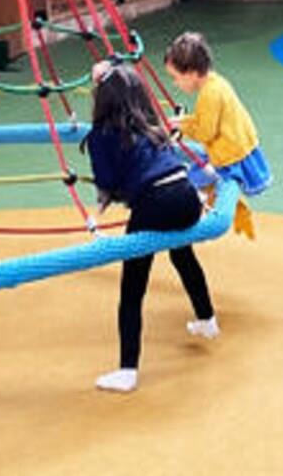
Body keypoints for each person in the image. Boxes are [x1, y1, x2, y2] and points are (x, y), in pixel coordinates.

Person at [85, 62, 217, 394]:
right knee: (182, 253)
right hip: (186, 197)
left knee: (133, 286)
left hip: (155, 202)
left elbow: (108, 182)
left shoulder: (102, 133)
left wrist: (106, 197)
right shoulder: (149, 125)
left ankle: (127, 370)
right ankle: (206, 319)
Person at [166, 32, 271, 203]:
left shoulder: (209, 95)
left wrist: (183, 126)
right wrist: (180, 122)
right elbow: (204, 120)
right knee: (181, 151)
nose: (174, 83)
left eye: (175, 77)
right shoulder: (215, 82)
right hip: (232, 148)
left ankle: (198, 197)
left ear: (191, 73)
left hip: (229, 160)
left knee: (189, 183)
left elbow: (205, 133)